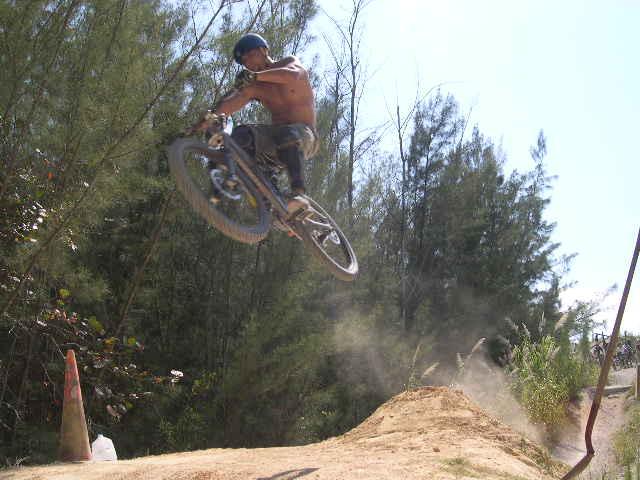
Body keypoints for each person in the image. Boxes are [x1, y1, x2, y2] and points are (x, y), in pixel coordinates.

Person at [192, 33, 318, 214]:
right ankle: (267, 198)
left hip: (305, 136)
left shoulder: (287, 64)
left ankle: (299, 194)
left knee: (287, 134)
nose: (248, 63)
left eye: (250, 56)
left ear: (263, 50)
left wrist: (256, 76)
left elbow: (294, 75)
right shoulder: (257, 87)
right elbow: (233, 102)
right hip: (275, 139)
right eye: (244, 62)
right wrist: (209, 119)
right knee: (241, 136)